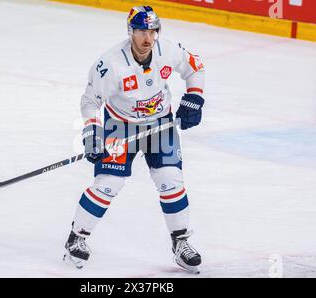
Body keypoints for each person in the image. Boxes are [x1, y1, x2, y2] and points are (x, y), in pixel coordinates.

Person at [63, 6, 205, 274]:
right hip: (120, 127)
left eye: (152, 31)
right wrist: (92, 131)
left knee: (171, 181)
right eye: (141, 31)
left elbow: (194, 66)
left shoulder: (169, 51)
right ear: (130, 32)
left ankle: (181, 243)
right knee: (108, 183)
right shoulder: (110, 64)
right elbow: (90, 101)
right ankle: (77, 237)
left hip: (161, 124)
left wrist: (195, 97)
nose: (147, 38)